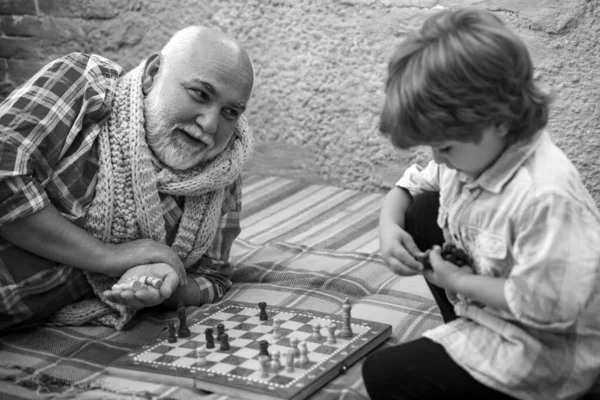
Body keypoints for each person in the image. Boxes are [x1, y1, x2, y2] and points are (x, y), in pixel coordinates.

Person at [362, 8, 600, 400]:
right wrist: (389, 227)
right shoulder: (474, 155)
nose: (437, 159)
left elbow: (544, 305)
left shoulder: (545, 196)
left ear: (500, 121)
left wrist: (458, 282)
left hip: (547, 352)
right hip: (489, 312)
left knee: (387, 374)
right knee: (420, 209)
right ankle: (463, 341)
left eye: (445, 146)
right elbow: (407, 187)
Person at [0, 25, 255, 332]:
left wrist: (161, 282)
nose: (211, 124)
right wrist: (110, 257)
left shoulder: (221, 174)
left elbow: (213, 278)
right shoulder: (86, 84)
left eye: (230, 111)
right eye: (200, 94)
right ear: (152, 73)